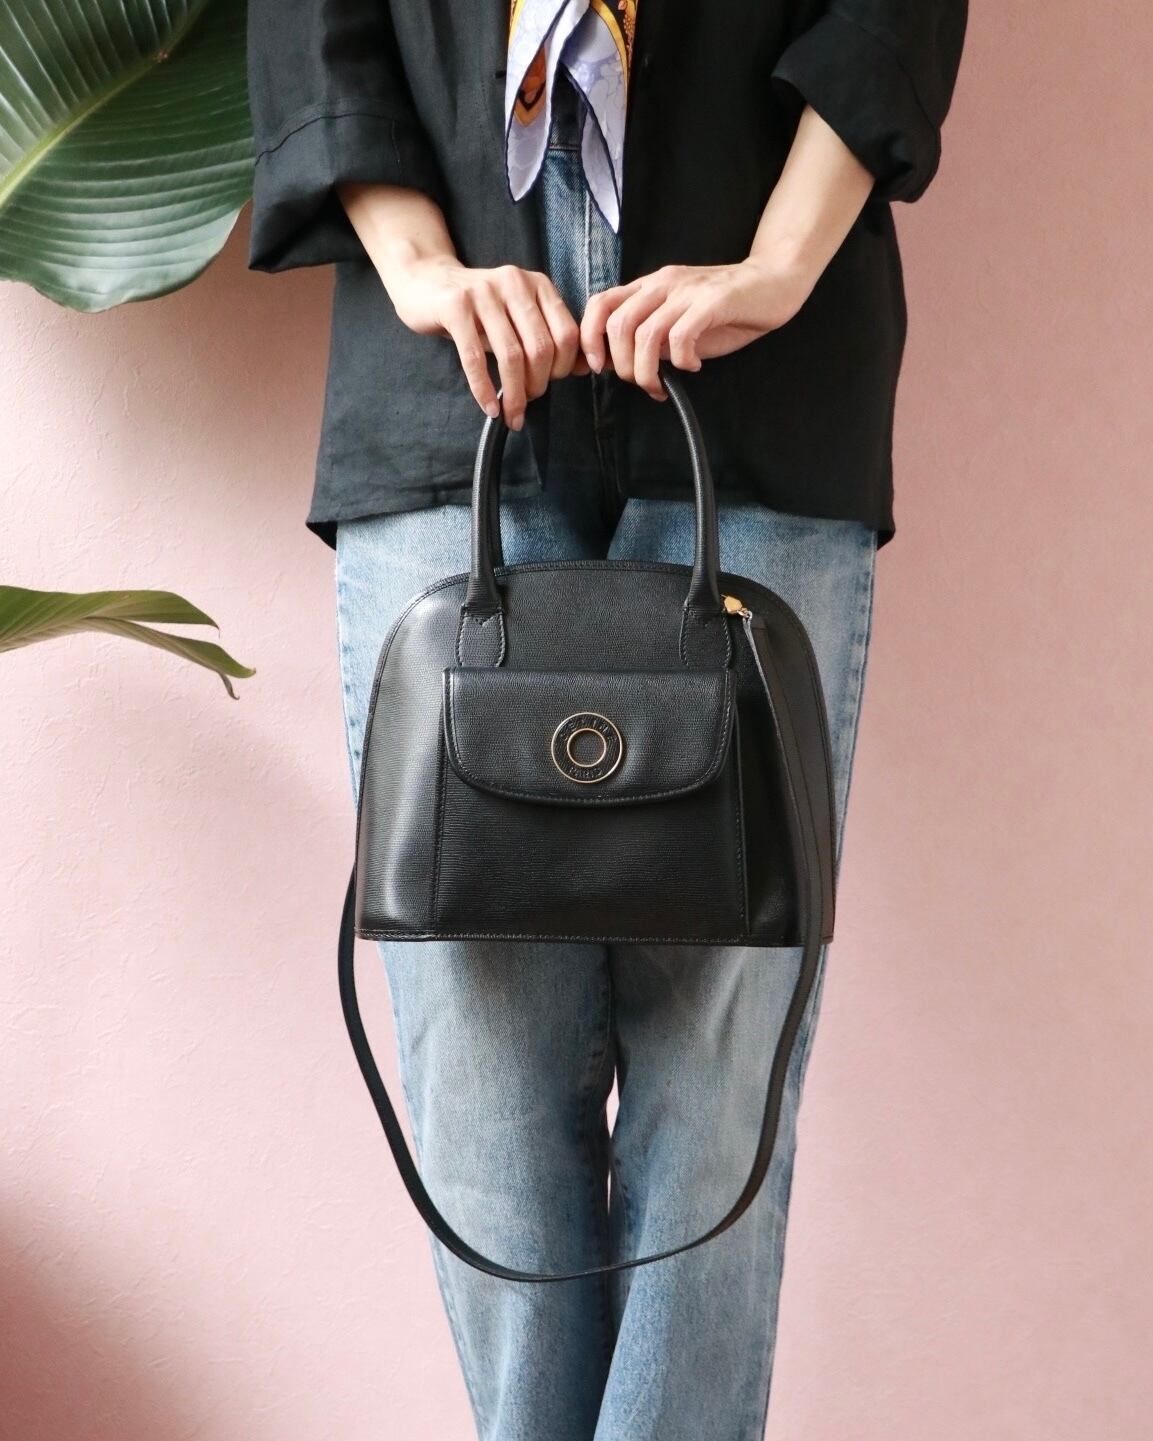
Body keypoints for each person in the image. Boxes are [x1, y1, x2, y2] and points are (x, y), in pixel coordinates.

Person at [245, 3, 968, 1437]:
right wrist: (420, 266)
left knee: (719, 1087)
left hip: (758, 384)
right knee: (482, 1090)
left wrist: (779, 262)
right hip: (444, 393)